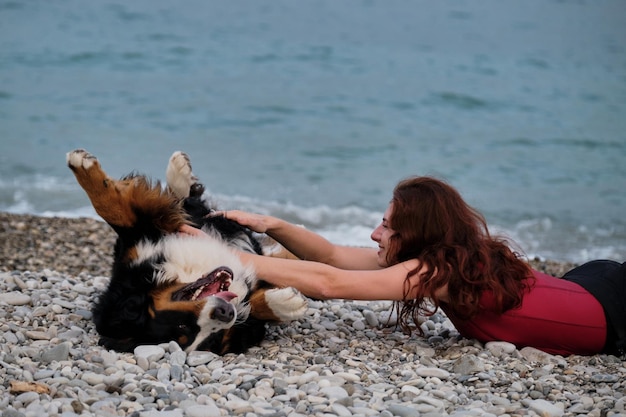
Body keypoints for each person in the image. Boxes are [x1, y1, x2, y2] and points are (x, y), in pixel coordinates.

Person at [182, 176, 625, 357]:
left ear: (417, 234)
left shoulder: (440, 273)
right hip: (587, 281)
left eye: (387, 226)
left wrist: (232, 257)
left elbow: (330, 284)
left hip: (614, 308)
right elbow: (333, 257)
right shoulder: (446, 259)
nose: (376, 235)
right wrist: (271, 224)